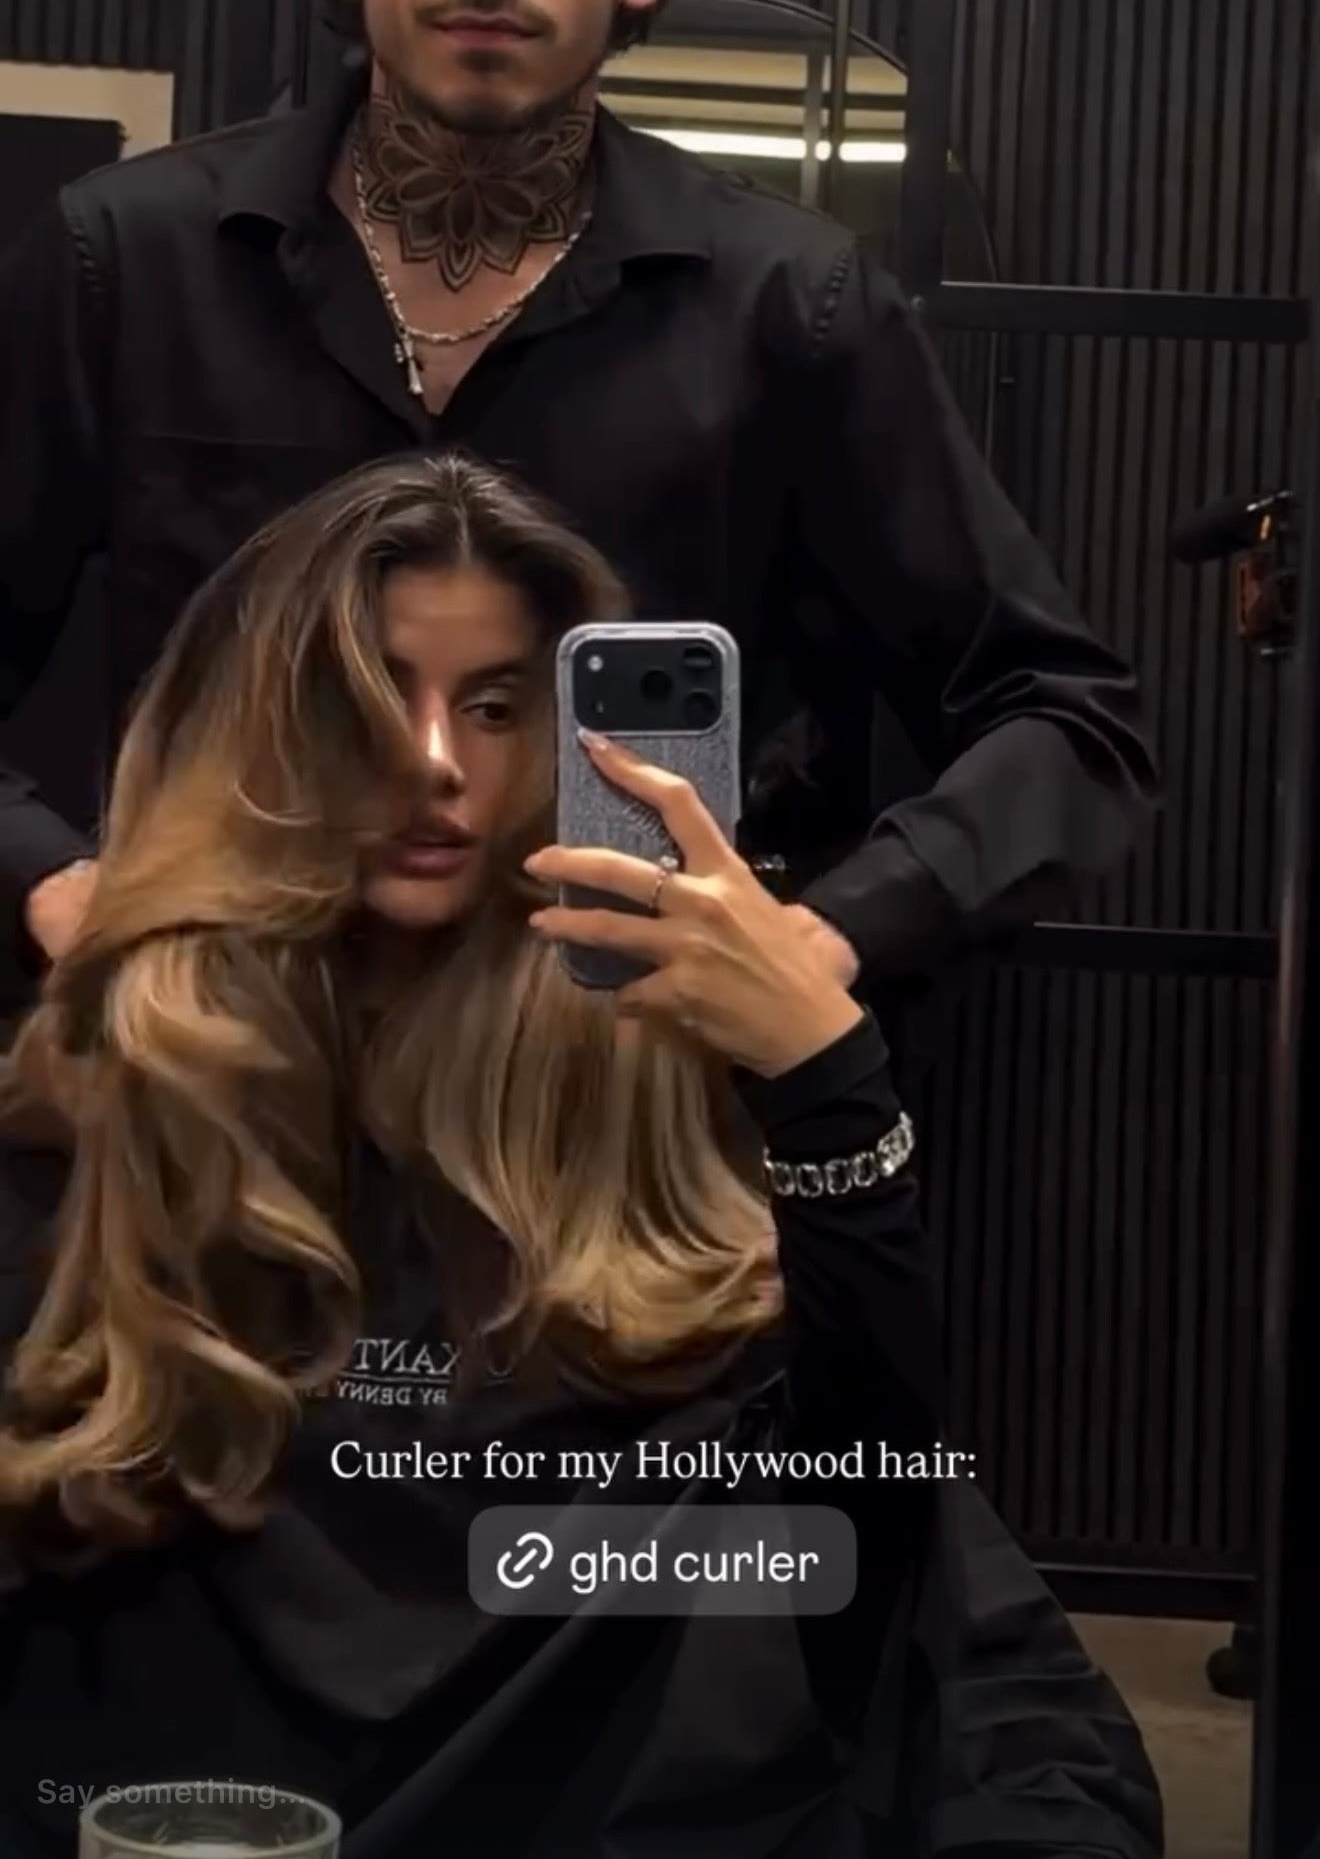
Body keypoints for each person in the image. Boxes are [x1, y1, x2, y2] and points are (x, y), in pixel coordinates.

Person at [0, 452, 1161, 1859]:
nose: (435, 760)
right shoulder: (111, 1105)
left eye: (496, 706)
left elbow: (883, 1553)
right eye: (368, 698)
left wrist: (828, 1086)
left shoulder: (635, 1113)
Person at [0, 0, 1156, 1025]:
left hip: (617, 1104)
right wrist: (49, 881)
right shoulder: (126, 264)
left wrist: (821, 942)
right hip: (217, 1088)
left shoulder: (790, 310)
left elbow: (1068, 723)